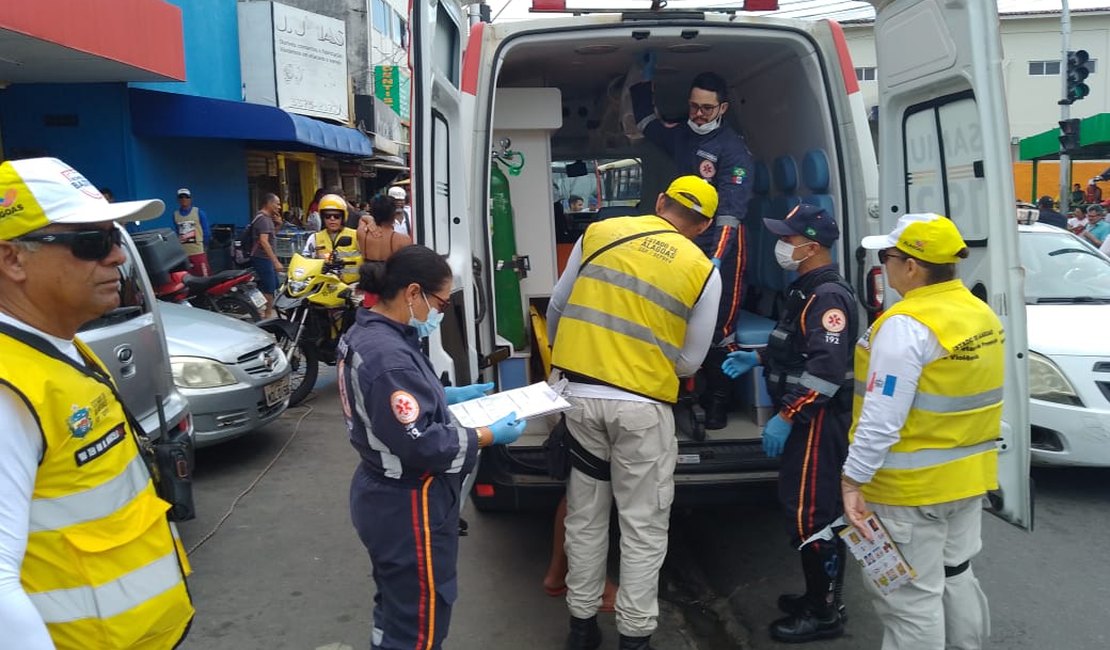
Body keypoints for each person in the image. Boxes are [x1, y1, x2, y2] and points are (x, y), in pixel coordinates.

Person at [0, 157, 194, 649]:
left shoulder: (57, 341)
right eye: (91, 243)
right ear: (12, 260)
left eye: (113, 238)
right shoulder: (9, 388)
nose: (116, 257)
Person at [548, 175, 721, 650]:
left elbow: (559, 306)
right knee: (642, 524)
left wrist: (567, 362)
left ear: (660, 201)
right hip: (643, 409)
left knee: (584, 515)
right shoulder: (704, 269)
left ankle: (581, 626)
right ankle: (635, 635)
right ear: (704, 225)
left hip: (579, 397)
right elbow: (690, 360)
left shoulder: (600, 232)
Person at [338, 245, 526, 650]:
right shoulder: (390, 357)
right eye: (441, 302)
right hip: (407, 503)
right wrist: (487, 435)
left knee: (396, 603)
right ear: (412, 293)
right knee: (421, 618)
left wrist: (444, 396)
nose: (440, 312)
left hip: (382, 496)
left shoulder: (371, 332)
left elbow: (392, 404)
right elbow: (424, 445)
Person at [842, 213, 1003, 649]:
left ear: (911, 265)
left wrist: (853, 479)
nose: (885, 264)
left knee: (910, 603)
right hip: (968, 480)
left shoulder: (905, 325)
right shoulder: (979, 313)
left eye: (887, 256)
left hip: (909, 491)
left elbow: (881, 418)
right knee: (956, 574)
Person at [721, 204, 857, 642]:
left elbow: (826, 372)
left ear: (812, 246)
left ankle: (824, 613)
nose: (782, 245)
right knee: (803, 510)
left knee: (813, 514)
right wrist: (757, 357)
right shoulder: (804, 288)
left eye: (789, 238)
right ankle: (817, 598)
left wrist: (785, 416)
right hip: (803, 416)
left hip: (816, 421)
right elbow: (796, 347)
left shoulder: (828, 297)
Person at [631, 56, 753, 429]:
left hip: (723, 247)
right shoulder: (683, 134)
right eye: (693, 106)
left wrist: (713, 263)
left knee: (719, 327)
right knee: (676, 319)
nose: (698, 114)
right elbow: (649, 125)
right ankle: (685, 393)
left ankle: (719, 403)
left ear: (723, 108)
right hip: (684, 243)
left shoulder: (733, 152)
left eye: (706, 108)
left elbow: (730, 217)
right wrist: (641, 82)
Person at [358, 195, 414, 308]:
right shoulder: (403, 240)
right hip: (392, 293)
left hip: (370, 291)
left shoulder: (362, 234)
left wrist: (370, 221)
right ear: (393, 214)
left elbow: (362, 218)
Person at [301, 193, 361, 284]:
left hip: (352, 285)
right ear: (322, 218)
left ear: (343, 217)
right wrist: (317, 259)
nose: (332, 219)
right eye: (327, 216)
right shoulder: (315, 238)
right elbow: (304, 260)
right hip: (324, 286)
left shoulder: (356, 235)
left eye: (336, 216)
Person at [250, 193, 284, 318]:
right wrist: (275, 262)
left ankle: (262, 310)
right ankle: (267, 314)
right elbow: (264, 241)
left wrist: (279, 225)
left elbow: (270, 237)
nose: (279, 207)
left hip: (265, 258)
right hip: (262, 258)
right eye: (277, 203)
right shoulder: (263, 219)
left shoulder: (267, 218)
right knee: (269, 286)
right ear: (269, 203)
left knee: (273, 284)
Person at [174, 187, 211, 276]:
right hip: (184, 253)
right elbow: (177, 232)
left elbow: (206, 231)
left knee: (204, 277)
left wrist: (204, 247)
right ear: (178, 200)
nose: (183, 199)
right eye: (181, 197)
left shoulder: (199, 212)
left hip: (198, 251)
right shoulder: (175, 215)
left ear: (190, 199)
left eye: (186, 197)